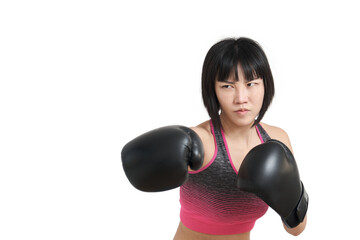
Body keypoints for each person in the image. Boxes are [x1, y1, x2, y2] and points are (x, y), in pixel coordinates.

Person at [121, 37, 308, 240]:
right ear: (213, 90)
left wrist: (290, 200)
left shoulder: (276, 139)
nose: (241, 98)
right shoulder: (203, 142)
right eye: (227, 86)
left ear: (265, 85)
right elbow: (138, 162)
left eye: (251, 83)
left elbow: (296, 229)